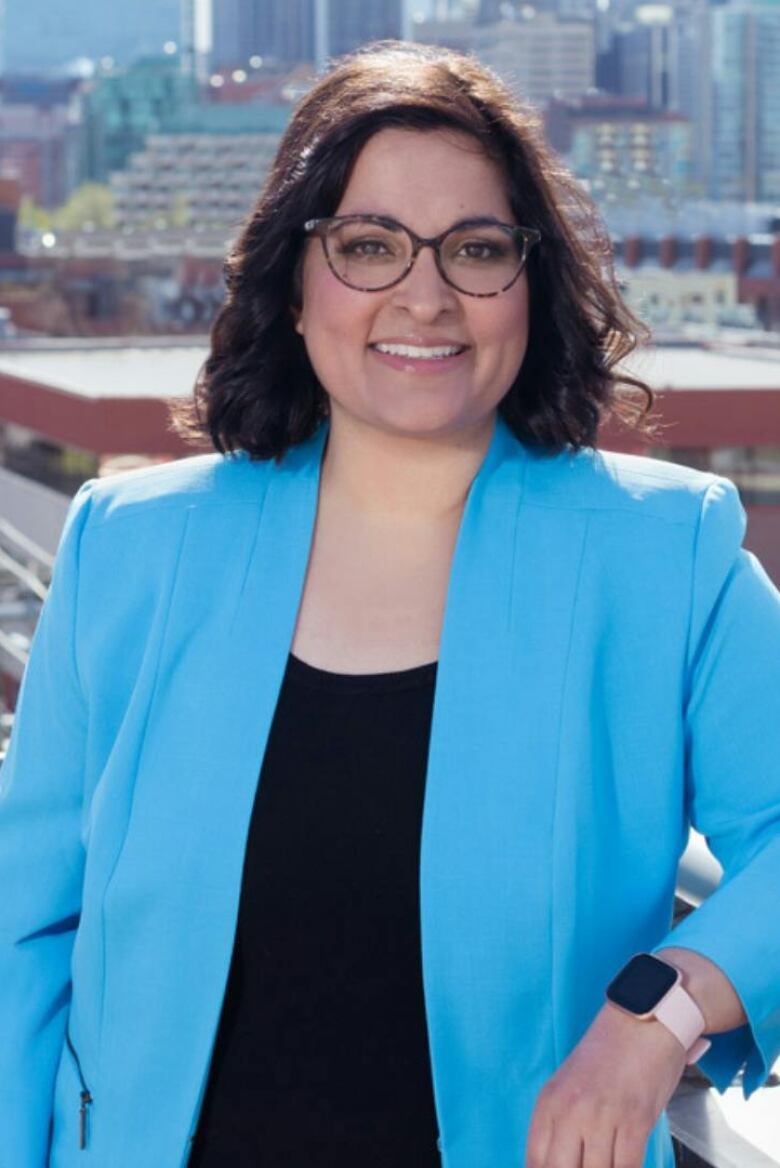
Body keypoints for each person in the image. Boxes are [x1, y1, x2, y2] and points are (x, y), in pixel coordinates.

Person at [1, 39, 779, 1168]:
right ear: (295, 279)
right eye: (369, 246)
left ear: (532, 278)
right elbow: (22, 937)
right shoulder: (131, 548)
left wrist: (656, 1019)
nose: (425, 295)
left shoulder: (667, 554)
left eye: (476, 248)